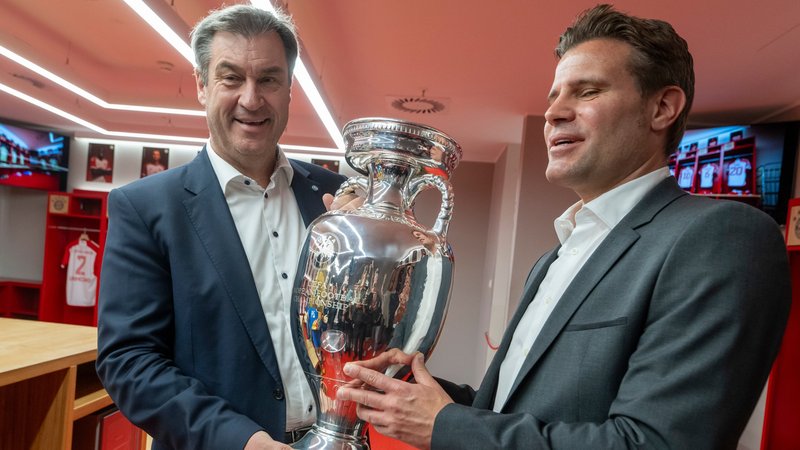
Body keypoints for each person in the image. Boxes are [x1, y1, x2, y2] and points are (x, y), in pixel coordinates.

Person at [335, 5, 792, 449]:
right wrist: (421, 395)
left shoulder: (720, 237)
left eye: (587, 92)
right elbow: (516, 413)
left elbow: (657, 441)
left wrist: (446, 426)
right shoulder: (554, 258)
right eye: (554, 96)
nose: (554, 113)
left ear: (662, 108)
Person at [95, 5, 345, 450]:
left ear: (290, 89)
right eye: (231, 77)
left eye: (269, 79)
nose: (251, 99)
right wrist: (243, 441)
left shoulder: (334, 198)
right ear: (201, 86)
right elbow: (129, 362)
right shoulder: (146, 208)